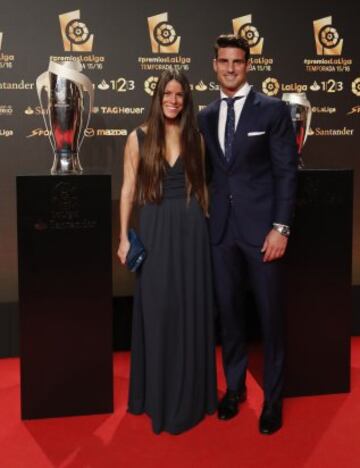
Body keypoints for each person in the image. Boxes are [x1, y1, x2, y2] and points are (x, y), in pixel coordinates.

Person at [198, 35, 297, 434]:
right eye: (223, 61)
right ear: (215, 64)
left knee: (270, 318)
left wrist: (281, 228)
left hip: (263, 235)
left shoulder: (271, 111)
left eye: (237, 61)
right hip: (221, 232)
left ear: (248, 65)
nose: (230, 68)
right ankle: (235, 388)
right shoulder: (205, 115)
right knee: (230, 317)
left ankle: (273, 399)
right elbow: (210, 173)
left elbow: (286, 172)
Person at [117, 68, 217, 435]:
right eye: (167, 95)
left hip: (191, 229)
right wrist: (124, 238)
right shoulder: (138, 137)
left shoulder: (196, 137)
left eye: (179, 95)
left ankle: (192, 393)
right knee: (159, 310)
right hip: (156, 227)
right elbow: (128, 190)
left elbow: (200, 188)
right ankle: (157, 395)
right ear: (157, 97)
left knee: (191, 307)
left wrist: (205, 225)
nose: (173, 101)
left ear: (186, 99)